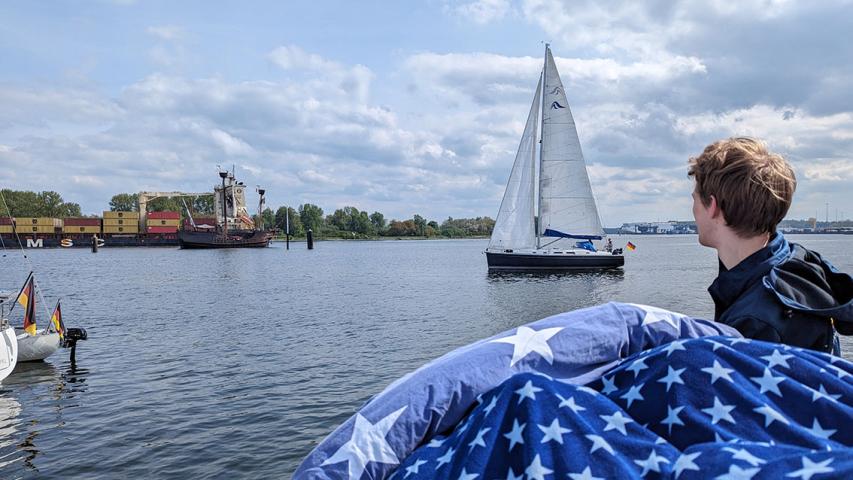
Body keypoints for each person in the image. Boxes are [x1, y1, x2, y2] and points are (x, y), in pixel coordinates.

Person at [688, 137, 853, 354]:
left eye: (695, 199)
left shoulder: (755, 324)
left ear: (713, 206)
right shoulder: (799, 263)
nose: (693, 210)